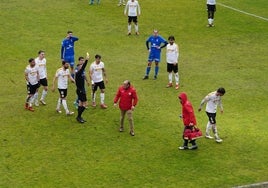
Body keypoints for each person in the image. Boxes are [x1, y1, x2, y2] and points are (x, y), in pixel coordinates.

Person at [75, 53, 90, 123]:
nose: (82, 67)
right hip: (81, 91)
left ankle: (79, 117)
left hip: (80, 90)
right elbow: (83, 67)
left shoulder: (80, 73)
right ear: (78, 68)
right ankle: (78, 116)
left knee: (80, 104)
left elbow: (83, 69)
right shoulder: (78, 73)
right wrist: (86, 60)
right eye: (80, 67)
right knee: (85, 104)